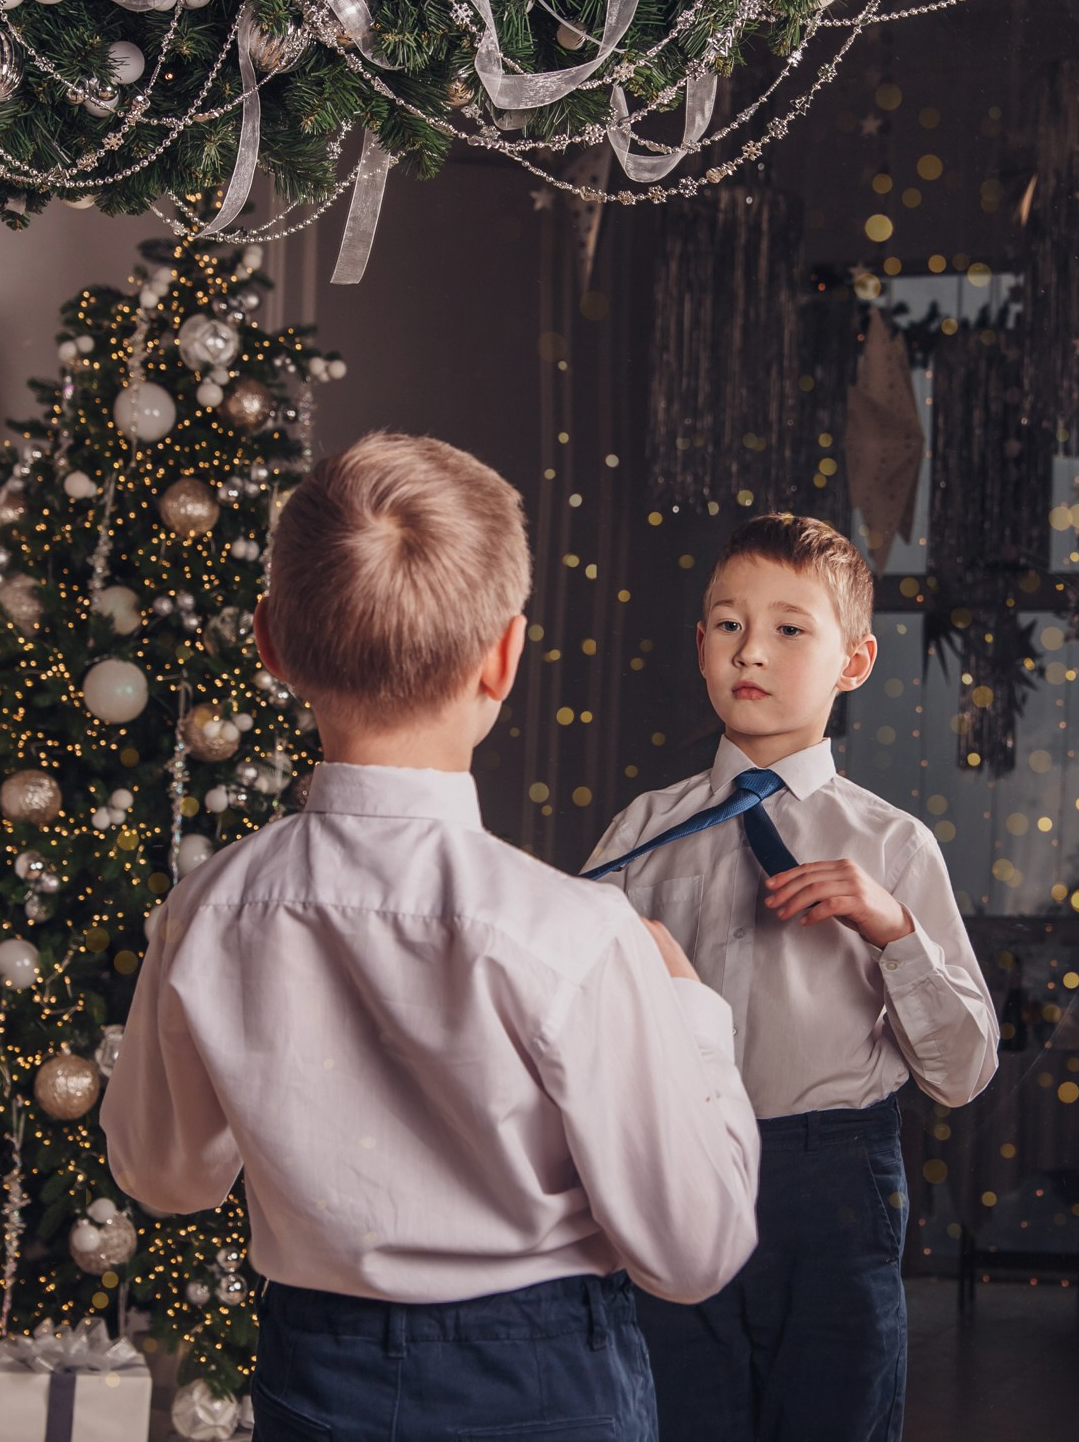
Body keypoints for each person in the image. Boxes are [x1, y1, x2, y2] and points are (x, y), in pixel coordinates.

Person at [101, 431, 760, 1442]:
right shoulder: (576, 935)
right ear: (503, 654)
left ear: (270, 644)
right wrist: (688, 1011)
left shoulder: (206, 909)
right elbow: (692, 1248)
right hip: (544, 1382)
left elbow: (165, 1176)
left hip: (311, 1377)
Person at [583, 513, 1000, 1442]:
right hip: (672, 1164)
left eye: (789, 628)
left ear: (854, 661)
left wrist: (891, 928)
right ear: (700, 646)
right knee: (676, 1416)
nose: (751, 652)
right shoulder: (640, 834)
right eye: (728, 625)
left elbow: (962, 1071)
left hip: (834, 1182)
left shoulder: (894, 846)